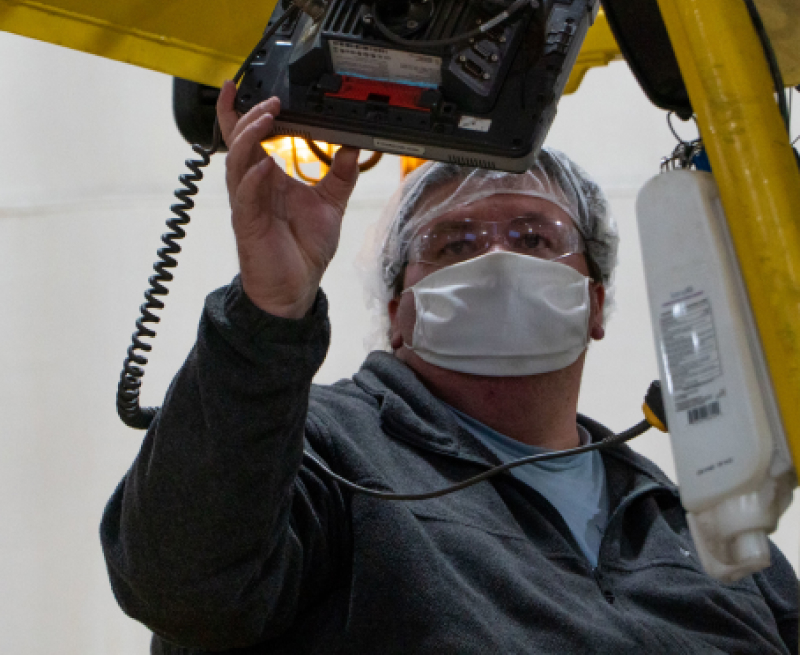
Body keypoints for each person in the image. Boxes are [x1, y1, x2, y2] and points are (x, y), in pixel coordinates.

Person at [101, 85, 798, 654]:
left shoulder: (690, 515)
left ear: (593, 302)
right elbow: (183, 586)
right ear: (399, 311)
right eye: (451, 242)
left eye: (534, 237)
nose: (497, 259)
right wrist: (268, 313)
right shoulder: (320, 450)